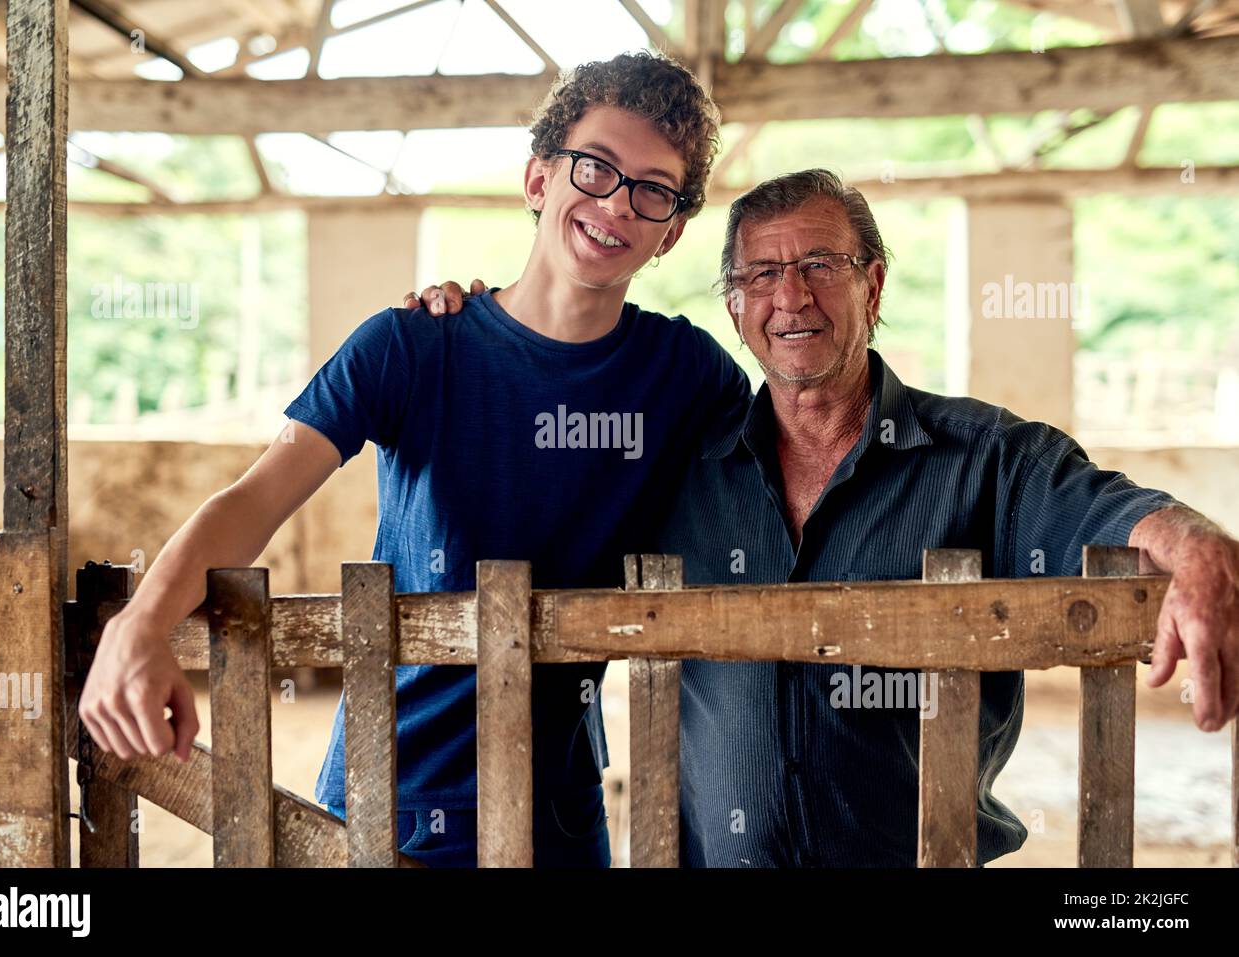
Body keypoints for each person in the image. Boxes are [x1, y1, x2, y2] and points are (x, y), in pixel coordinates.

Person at [418, 168, 1239, 867]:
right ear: (735, 309)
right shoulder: (677, 462)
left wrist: (1192, 542)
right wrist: (476, 326)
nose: (791, 296)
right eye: (760, 275)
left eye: (820, 264)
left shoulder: (981, 455)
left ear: (872, 285)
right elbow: (544, 452)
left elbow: (1102, 503)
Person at [78, 51, 749, 867]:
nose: (616, 203)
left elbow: (773, 504)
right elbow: (254, 499)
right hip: (389, 788)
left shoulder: (690, 376)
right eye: (595, 166)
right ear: (538, 180)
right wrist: (140, 624)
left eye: (652, 189)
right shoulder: (410, 345)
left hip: (562, 809)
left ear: (671, 230)